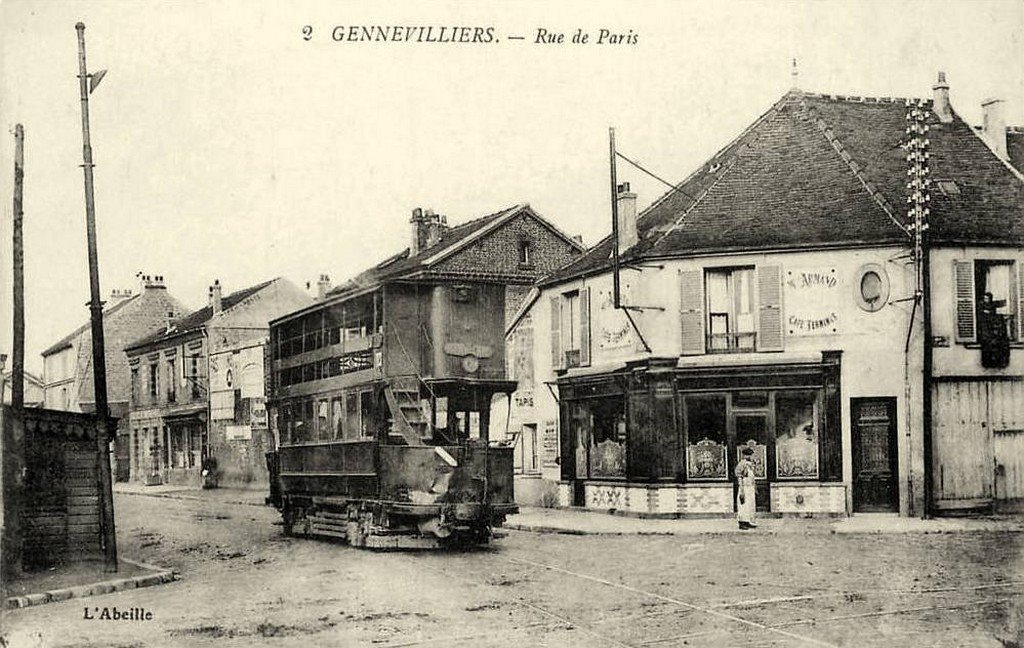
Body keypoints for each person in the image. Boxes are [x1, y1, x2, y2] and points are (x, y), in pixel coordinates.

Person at [735, 446, 757, 530]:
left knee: (749, 505)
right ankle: (742, 522)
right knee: (743, 505)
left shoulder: (750, 464)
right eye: (748, 455)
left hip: (750, 487)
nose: (750, 457)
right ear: (744, 455)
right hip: (744, 487)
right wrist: (741, 490)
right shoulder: (742, 464)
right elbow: (739, 477)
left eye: (750, 455)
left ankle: (747, 521)